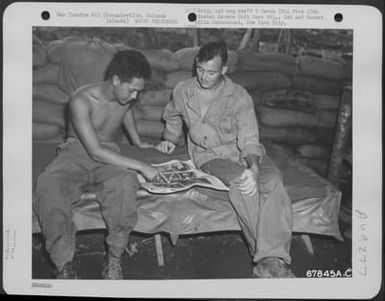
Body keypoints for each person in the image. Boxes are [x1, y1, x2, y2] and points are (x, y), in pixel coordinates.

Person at [156, 41, 295, 278]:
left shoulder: (239, 97)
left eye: (211, 72)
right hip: (209, 155)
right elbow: (172, 115)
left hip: (241, 151)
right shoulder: (182, 90)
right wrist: (170, 137)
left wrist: (253, 167)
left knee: (274, 182)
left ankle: (269, 260)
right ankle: (269, 260)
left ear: (224, 70)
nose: (203, 76)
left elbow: (250, 137)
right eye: (200, 69)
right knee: (243, 184)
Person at [34, 50, 159, 280]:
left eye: (138, 92)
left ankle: (114, 257)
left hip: (109, 151)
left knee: (125, 182)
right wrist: (141, 165)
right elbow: (94, 151)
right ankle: (64, 265)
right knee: (48, 184)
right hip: (77, 150)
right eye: (131, 90)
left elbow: (126, 111)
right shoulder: (81, 100)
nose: (134, 97)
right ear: (115, 80)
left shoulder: (125, 97)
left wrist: (138, 141)